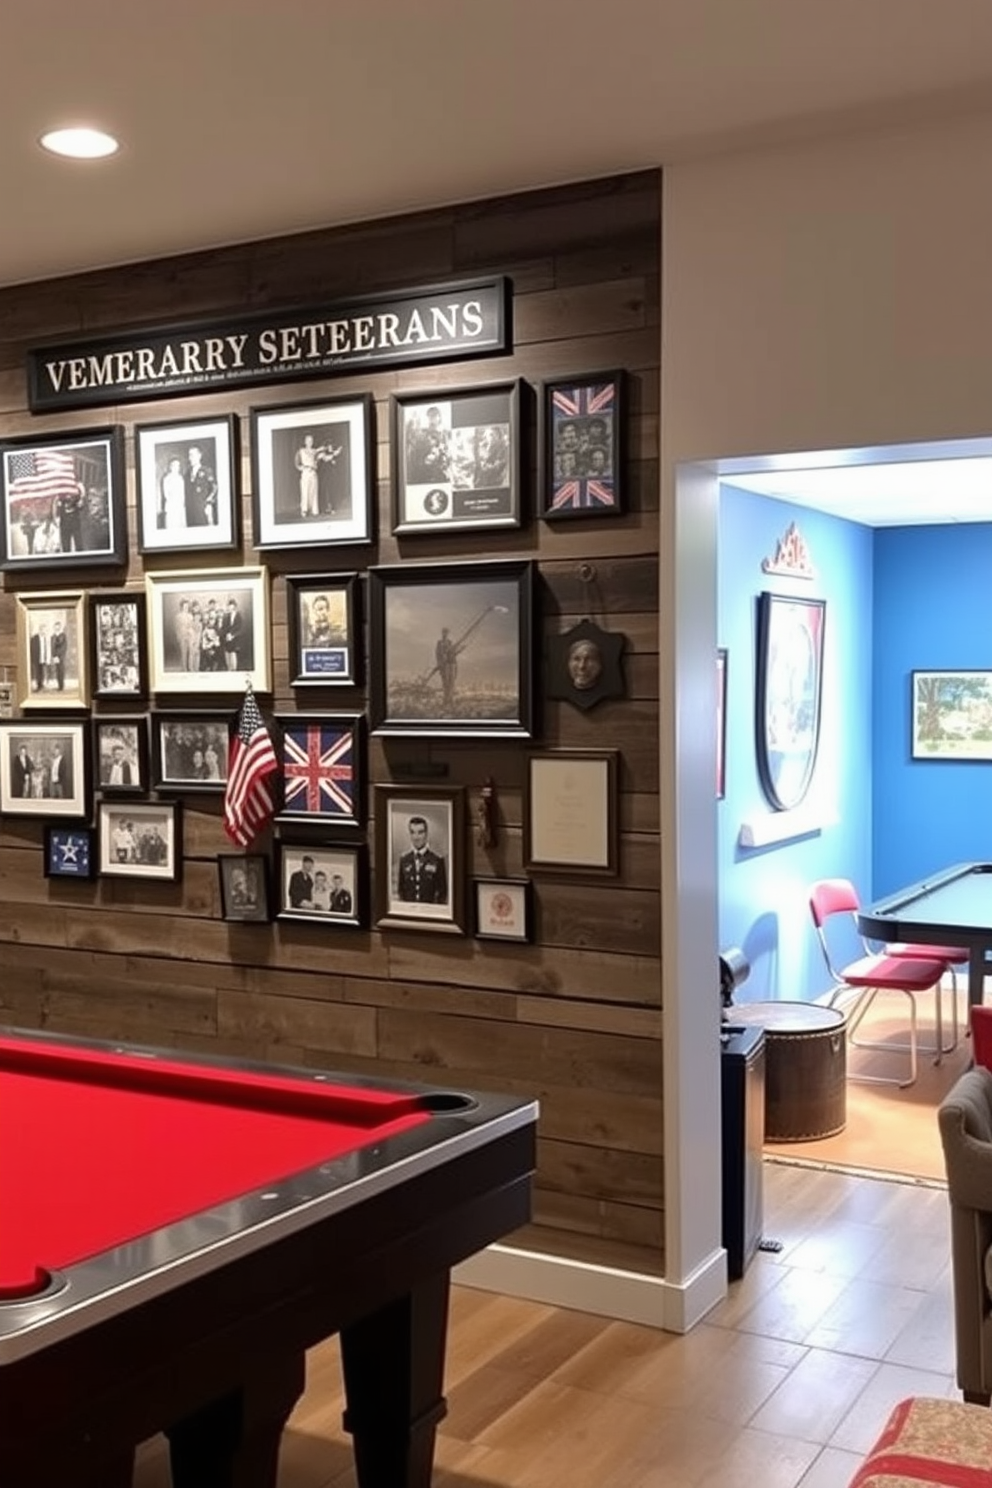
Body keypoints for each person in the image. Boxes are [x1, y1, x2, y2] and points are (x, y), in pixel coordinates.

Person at [397, 816, 448, 904]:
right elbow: (401, 890)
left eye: (420, 832)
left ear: (426, 834)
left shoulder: (437, 860)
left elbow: (442, 893)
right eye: (412, 832)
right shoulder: (404, 860)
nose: (416, 837)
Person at [185, 445, 218, 526]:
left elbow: (214, 488)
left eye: (193, 455)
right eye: (189, 455)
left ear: (199, 456)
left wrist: (209, 503)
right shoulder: (187, 473)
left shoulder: (207, 471)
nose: (190, 458)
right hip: (190, 510)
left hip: (203, 509)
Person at [294, 433, 324, 518]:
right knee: (305, 491)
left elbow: (319, 458)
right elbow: (296, 462)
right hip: (305, 473)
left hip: (313, 473)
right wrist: (301, 468)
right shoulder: (301, 451)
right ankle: (304, 510)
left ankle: (314, 510)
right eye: (308, 440)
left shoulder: (315, 451)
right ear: (305, 441)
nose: (310, 442)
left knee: (313, 491)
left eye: (311, 440)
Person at [160, 456, 186, 530]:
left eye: (178, 465)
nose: (177, 467)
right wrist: (173, 502)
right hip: (172, 506)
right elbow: (166, 494)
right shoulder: (167, 479)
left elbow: (183, 493)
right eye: (174, 465)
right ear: (170, 466)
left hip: (180, 506)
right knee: (172, 525)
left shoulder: (181, 478)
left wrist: (182, 503)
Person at [435, 627, 458, 711]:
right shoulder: (439, 643)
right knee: (445, 683)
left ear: (448, 634)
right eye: (444, 633)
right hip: (444, 666)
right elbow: (437, 655)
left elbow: (453, 655)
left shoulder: (450, 642)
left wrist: (455, 666)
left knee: (451, 682)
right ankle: (446, 701)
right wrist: (440, 664)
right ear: (442, 633)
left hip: (451, 664)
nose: (445, 634)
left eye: (446, 633)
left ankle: (450, 700)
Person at [220, 597, 243, 671]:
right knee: (227, 657)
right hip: (227, 640)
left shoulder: (239, 616)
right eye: (228, 605)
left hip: (235, 640)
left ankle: (234, 670)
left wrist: (232, 635)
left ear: (234, 606)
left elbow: (241, 629)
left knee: (233, 656)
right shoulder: (226, 616)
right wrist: (224, 635)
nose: (229, 607)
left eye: (231, 605)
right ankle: (229, 670)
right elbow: (224, 628)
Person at [49, 619, 67, 691]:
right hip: (55, 657)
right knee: (57, 670)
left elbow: (64, 647)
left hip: (61, 657)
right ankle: (59, 685)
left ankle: (61, 685)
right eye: (55, 627)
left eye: (58, 627)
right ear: (54, 628)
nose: (57, 628)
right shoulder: (52, 636)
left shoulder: (63, 635)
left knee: (61, 670)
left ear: (60, 627)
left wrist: (60, 656)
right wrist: (54, 656)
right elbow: (52, 647)